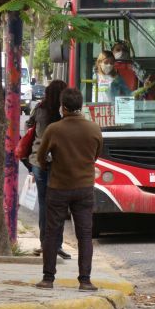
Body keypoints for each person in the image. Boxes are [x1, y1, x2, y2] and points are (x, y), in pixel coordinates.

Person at [36, 88, 103, 291]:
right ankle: (85, 280)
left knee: (52, 232)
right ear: (80, 106)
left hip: (58, 187)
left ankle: (48, 278)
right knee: (85, 235)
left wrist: (48, 165)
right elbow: (96, 155)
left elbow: (41, 156)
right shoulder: (94, 129)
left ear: (63, 107)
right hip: (84, 188)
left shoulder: (54, 129)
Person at [26, 79, 71, 260]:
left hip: (38, 161)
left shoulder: (39, 109)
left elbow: (28, 126)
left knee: (44, 204)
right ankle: (57, 244)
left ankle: (45, 243)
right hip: (60, 163)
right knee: (59, 205)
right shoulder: (65, 112)